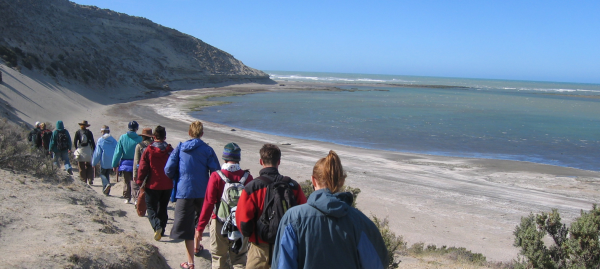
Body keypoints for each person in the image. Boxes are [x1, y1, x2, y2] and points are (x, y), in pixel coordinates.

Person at [271, 151, 388, 269]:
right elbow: (376, 263)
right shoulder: (359, 220)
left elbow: (283, 264)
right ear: (342, 181)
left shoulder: (293, 218)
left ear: (313, 180)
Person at [236, 144, 307, 269]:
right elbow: (304, 216)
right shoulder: (293, 186)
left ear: (261, 161)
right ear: (279, 162)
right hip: (285, 248)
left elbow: (244, 223)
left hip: (259, 249)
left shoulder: (252, 187)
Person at [165, 120, 220, 269]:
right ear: (202, 134)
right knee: (199, 222)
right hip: (202, 191)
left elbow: (168, 169)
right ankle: (197, 246)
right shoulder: (207, 150)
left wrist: (178, 177)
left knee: (186, 227)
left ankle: (190, 262)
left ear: (189, 133)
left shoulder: (180, 147)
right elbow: (216, 171)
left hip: (184, 191)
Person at [195, 142, 254, 269]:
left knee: (218, 257)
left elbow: (209, 203)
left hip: (219, 222)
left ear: (225, 157)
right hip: (240, 224)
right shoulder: (248, 178)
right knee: (239, 259)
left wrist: (200, 227)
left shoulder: (216, 176)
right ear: (238, 158)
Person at [136, 126, 173, 241]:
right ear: (164, 137)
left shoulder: (149, 150)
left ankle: (157, 226)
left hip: (152, 184)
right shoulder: (170, 150)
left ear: (154, 137)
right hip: (167, 184)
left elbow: (143, 167)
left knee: (151, 207)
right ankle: (162, 228)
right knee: (163, 207)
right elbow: (175, 166)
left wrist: (139, 180)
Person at [112, 121, 143, 204]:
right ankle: (136, 198)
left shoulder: (123, 137)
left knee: (126, 181)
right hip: (136, 163)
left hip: (125, 163)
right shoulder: (140, 138)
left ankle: (127, 198)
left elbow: (118, 152)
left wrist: (114, 164)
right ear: (137, 128)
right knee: (135, 180)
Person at [92, 125, 117, 195]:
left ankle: (106, 184)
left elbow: (97, 153)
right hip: (111, 161)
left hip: (104, 160)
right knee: (107, 174)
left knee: (102, 174)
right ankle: (106, 191)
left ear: (102, 131)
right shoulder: (113, 140)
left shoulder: (101, 140)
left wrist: (94, 163)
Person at [133, 128, 154, 206]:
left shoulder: (139, 146)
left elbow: (136, 161)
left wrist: (135, 174)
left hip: (142, 170)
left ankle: (138, 202)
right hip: (153, 171)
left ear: (143, 136)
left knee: (140, 188)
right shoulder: (154, 145)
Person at [73, 120, 96, 185]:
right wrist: (94, 150)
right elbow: (92, 142)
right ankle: (90, 178)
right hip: (88, 150)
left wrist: (76, 149)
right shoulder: (89, 132)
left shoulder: (78, 132)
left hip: (81, 149)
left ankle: (83, 180)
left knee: (81, 166)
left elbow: (75, 142)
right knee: (89, 165)